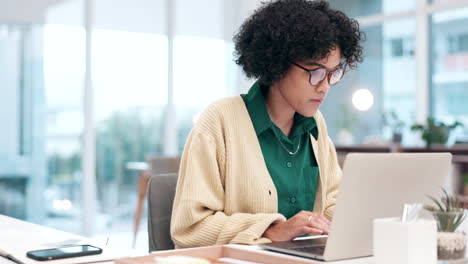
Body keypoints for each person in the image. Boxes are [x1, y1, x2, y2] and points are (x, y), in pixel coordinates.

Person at [170, 0, 364, 248]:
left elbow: (330, 203)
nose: (324, 85)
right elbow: (190, 228)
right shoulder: (219, 121)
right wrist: (272, 230)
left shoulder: (315, 125)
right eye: (315, 71)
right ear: (278, 64)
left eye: (332, 73)